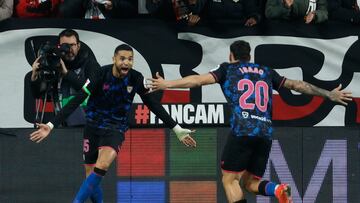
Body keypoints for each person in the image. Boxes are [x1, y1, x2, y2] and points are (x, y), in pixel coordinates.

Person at [147, 40, 352, 203]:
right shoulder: (266, 71)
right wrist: (328, 94)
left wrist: (167, 84)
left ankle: (278, 190)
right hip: (265, 133)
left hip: (242, 131)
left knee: (229, 180)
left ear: (231, 56)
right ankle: (279, 189)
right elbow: (298, 85)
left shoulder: (227, 69)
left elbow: (197, 80)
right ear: (250, 56)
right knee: (251, 183)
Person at [30, 44, 197, 203]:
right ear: (114, 59)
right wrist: (51, 124)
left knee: (102, 165)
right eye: (122, 58)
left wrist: (177, 128)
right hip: (92, 127)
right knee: (90, 174)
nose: (126, 62)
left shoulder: (136, 78)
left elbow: (153, 104)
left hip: (115, 129)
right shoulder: (100, 74)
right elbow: (79, 98)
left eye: (130, 59)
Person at [31, 29, 100, 126]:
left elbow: (91, 90)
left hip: (88, 126)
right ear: (58, 47)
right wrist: (35, 75)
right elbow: (39, 95)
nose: (69, 49)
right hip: (61, 125)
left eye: (72, 45)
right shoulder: (55, 64)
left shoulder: (90, 64)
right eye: (65, 46)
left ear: (78, 46)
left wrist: (66, 73)